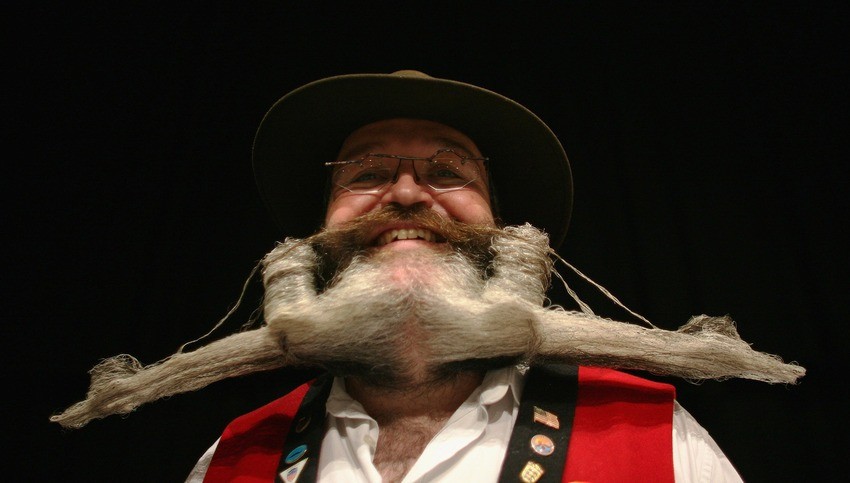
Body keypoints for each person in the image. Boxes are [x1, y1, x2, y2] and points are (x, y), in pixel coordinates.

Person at [51, 70, 804, 482]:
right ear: (318, 239)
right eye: (366, 173)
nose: (407, 194)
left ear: (507, 236)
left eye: (448, 171)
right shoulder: (232, 459)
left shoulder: (657, 439)